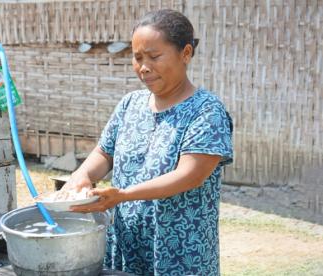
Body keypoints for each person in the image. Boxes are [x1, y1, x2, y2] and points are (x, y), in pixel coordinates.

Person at [64, 9, 233, 276]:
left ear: (186, 53)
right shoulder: (130, 104)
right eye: (137, 57)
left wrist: (123, 195)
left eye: (154, 57)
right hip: (126, 244)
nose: (143, 67)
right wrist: (82, 174)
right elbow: (104, 153)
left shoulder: (207, 111)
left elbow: (191, 175)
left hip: (179, 254)